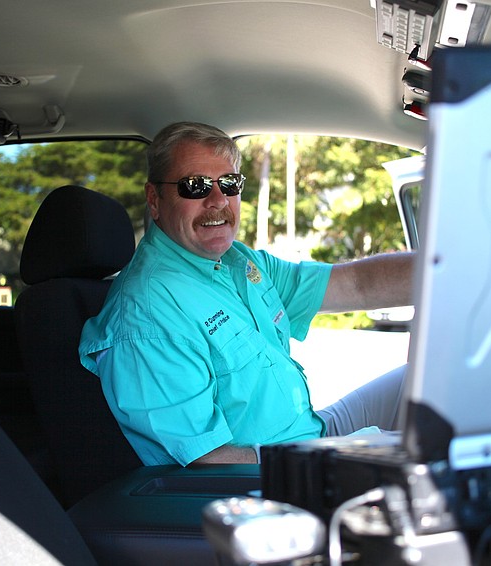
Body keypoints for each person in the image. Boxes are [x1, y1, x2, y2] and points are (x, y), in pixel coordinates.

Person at [79, 122, 414, 466]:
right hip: (276, 473)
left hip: (310, 434)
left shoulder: (238, 261)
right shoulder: (147, 312)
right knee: (427, 451)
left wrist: (444, 269)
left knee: (420, 379)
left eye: (229, 183)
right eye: (195, 186)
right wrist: (318, 461)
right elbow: (208, 462)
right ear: (154, 200)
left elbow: (356, 284)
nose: (218, 200)